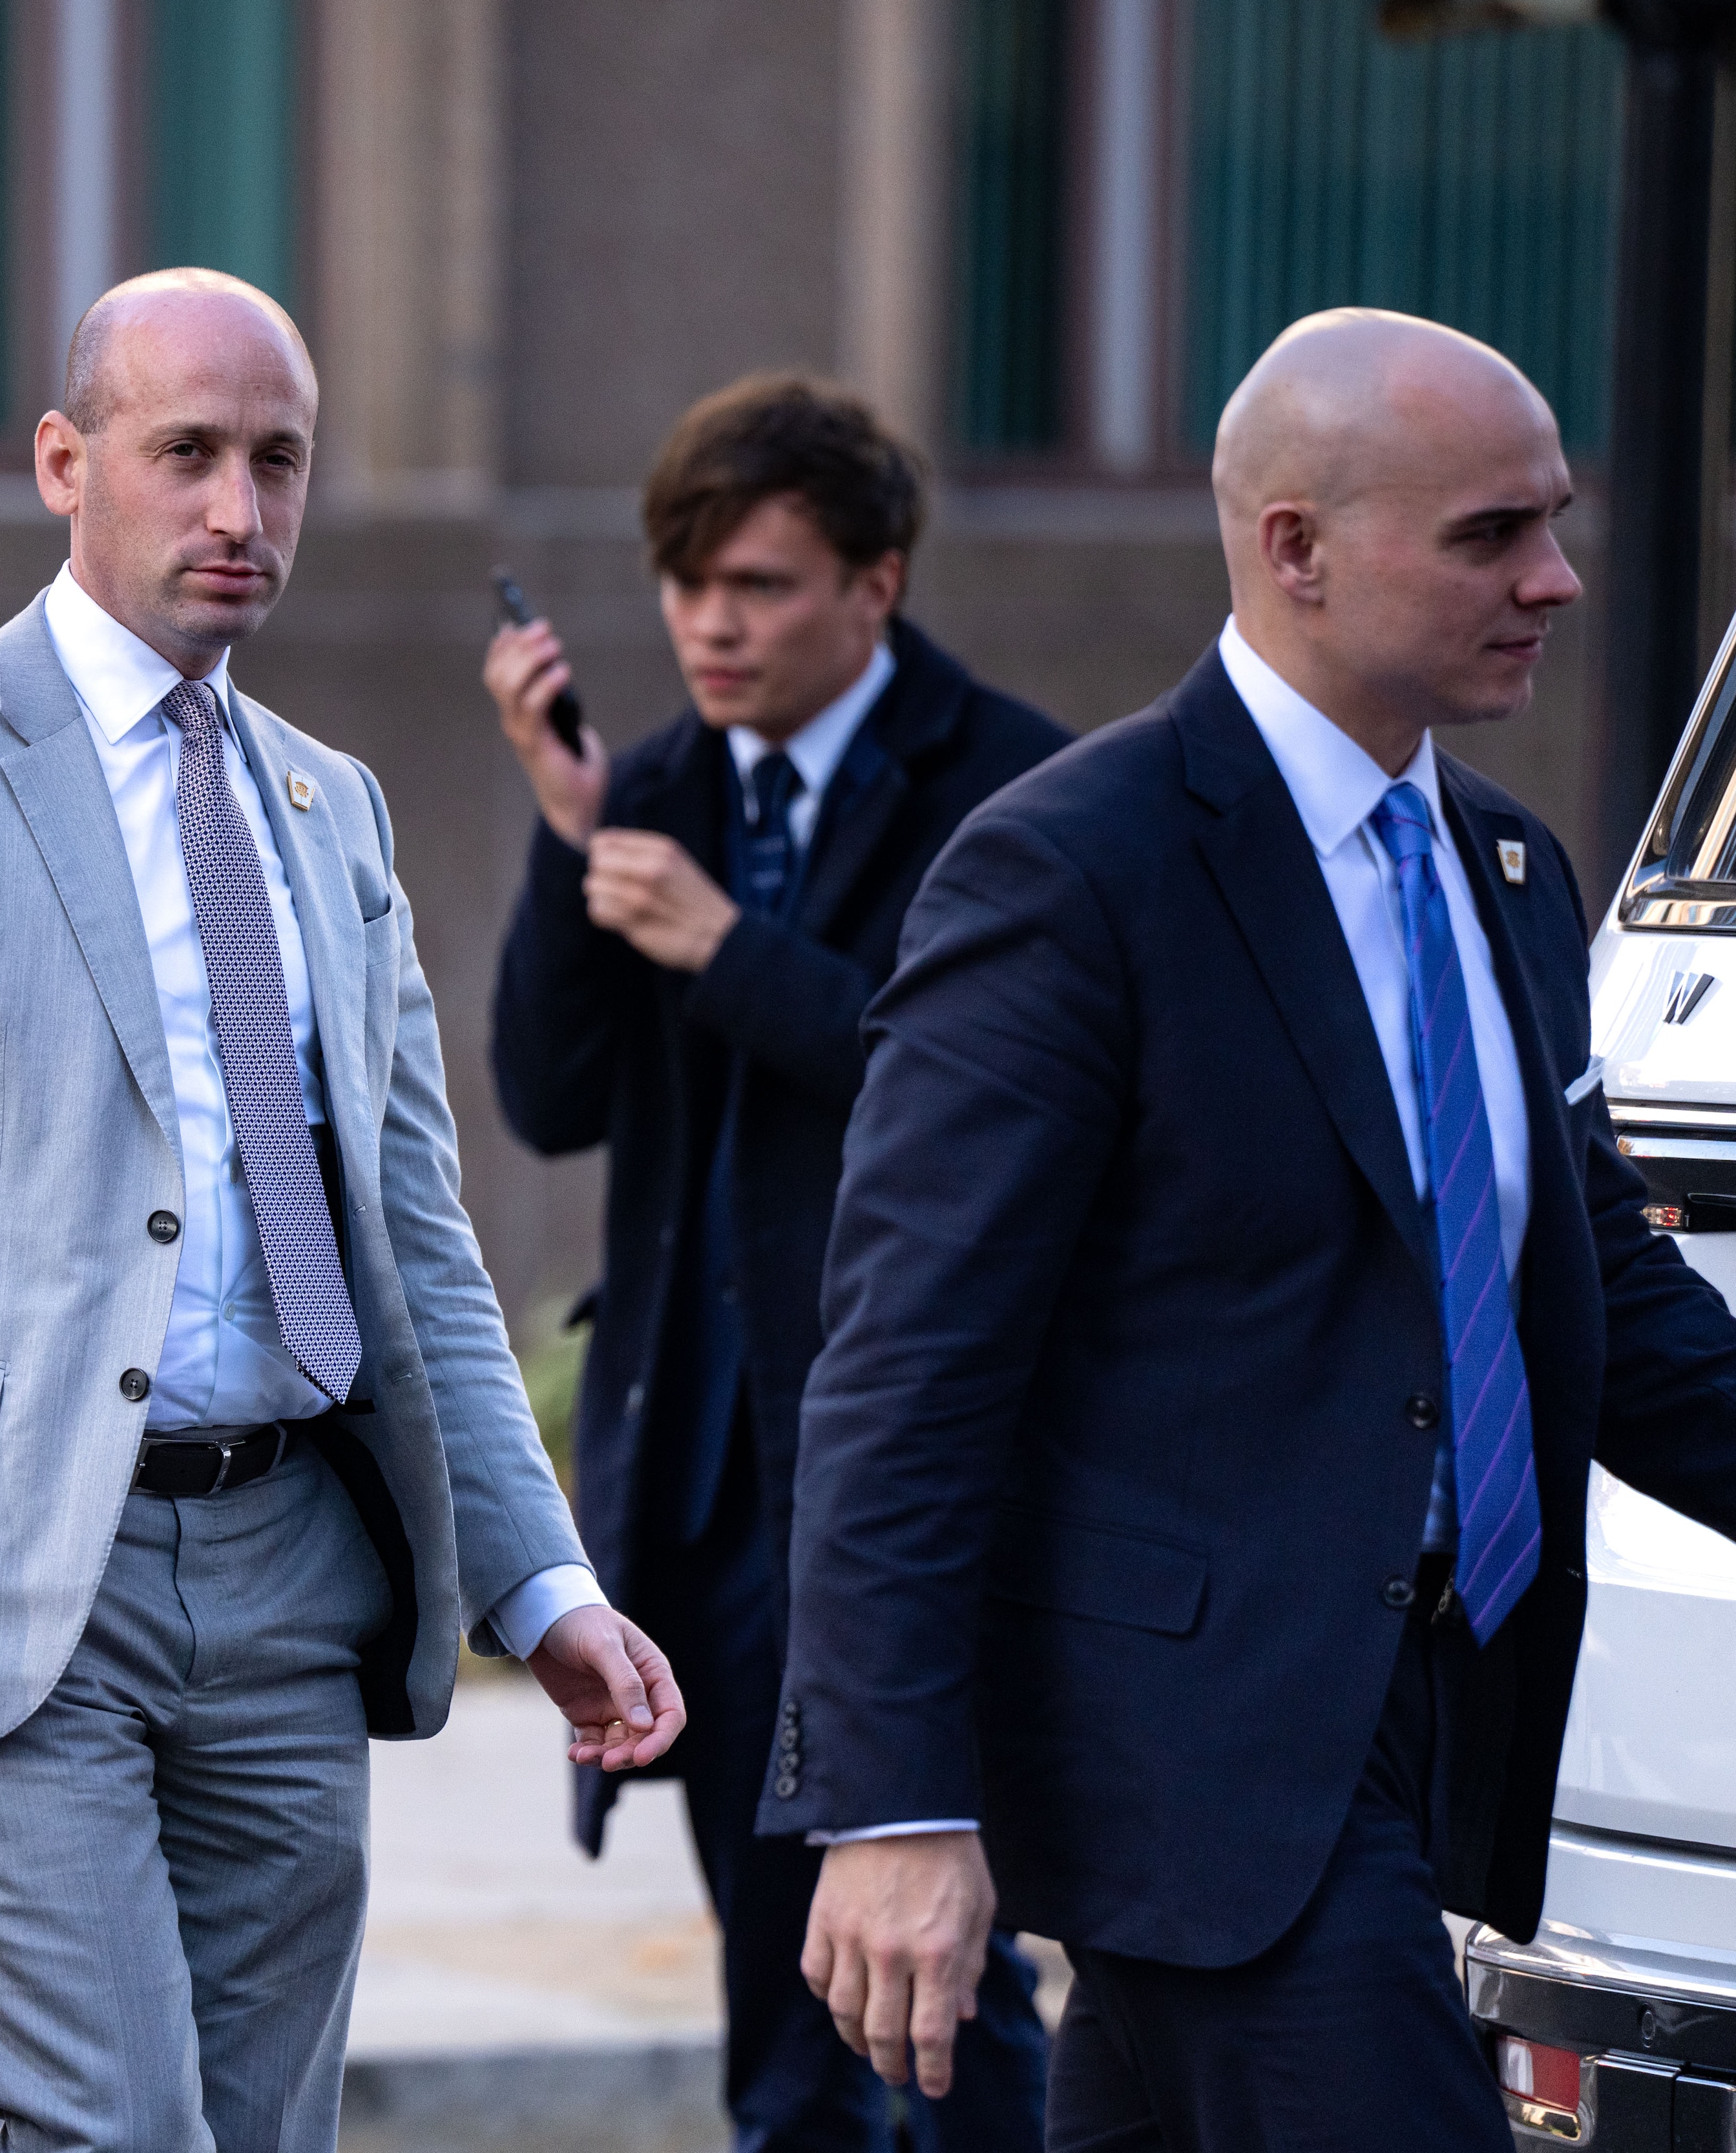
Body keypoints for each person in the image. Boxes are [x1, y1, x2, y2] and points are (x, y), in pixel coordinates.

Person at [771, 307, 1736, 2149]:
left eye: (1554, 520)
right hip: (1206, 1760)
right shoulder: (1074, 870)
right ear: (1293, 546)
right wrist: (891, 1807)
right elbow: (907, 1370)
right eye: (1490, 536)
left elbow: (1597, 1291)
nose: (1560, 578)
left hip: (1427, 1715)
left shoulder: (1514, 873)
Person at [0, 266, 687, 2153]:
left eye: (280, 462)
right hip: (13, 1576)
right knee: (116, 2132)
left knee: (256, 2135)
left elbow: (415, 1242)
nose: (240, 511)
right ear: (68, 463)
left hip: (302, 1569)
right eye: (189, 455)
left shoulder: (335, 807)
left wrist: (540, 1580)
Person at [485, 373, 1063, 2151]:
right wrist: (570, 834)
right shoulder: (659, 780)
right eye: (684, 585)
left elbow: (996, 1103)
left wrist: (734, 950)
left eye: (760, 585)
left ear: (877, 583)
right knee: (775, 1981)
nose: (710, 627)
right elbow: (546, 1092)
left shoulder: (1015, 787)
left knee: (942, 1981)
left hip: (908, 1477)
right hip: (707, 1487)